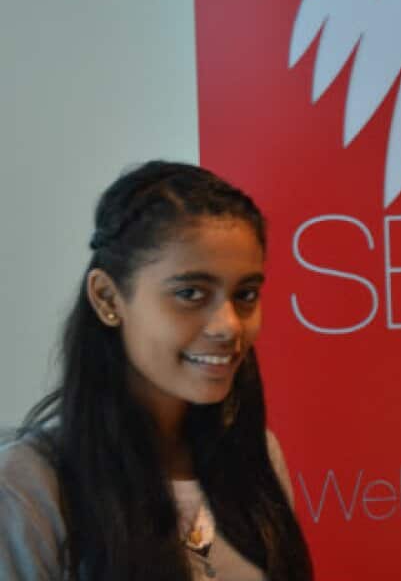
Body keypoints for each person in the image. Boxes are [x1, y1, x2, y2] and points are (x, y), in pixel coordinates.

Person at [0, 161, 313, 580]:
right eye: (190, 293)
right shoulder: (28, 488)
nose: (229, 326)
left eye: (246, 294)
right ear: (108, 298)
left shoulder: (257, 456)